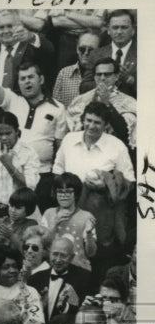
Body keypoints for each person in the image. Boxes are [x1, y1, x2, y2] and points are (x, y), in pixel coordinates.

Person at [52, 102, 135, 280]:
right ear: (83, 119)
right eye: (88, 120)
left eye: (97, 122)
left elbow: (130, 182)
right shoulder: (69, 140)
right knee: (69, 255)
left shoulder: (117, 146)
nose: (91, 126)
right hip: (70, 212)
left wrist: (106, 186)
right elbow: (57, 171)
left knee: (97, 262)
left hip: (102, 215)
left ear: (106, 125)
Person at [0, 47, 68, 211]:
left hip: (42, 174)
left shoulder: (58, 108)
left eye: (31, 77)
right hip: (10, 169)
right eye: (22, 79)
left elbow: (60, 147)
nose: (27, 82)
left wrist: (55, 179)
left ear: (41, 80)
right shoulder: (12, 100)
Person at [0, 111, 41, 236]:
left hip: (16, 211)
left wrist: (9, 165)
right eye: (0, 134)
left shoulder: (29, 152)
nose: (4, 138)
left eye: (8, 133)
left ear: (17, 131)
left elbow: (30, 186)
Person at [28, 235, 93, 324]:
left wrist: (66, 307)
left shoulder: (85, 278)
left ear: (72, 257)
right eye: (55, 254)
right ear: (49, 254)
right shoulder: (35, 279)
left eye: (63, 255)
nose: (58, 260)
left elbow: (86, 312)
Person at [78, 9, 137, 98]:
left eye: (124, 27)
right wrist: (108, 82)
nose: (119, 32)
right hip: (102, 107)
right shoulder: (96, 54)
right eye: (115, 27)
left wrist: (129, 80)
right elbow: (84, 87)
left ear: (133, 30)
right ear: (108, 30)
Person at [53, 30, 101, 106]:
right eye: (82, 49)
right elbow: (55, 107)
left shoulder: (104, 76)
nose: (86, 53)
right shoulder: (64, 73)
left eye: (91, 50)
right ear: (76, 49)